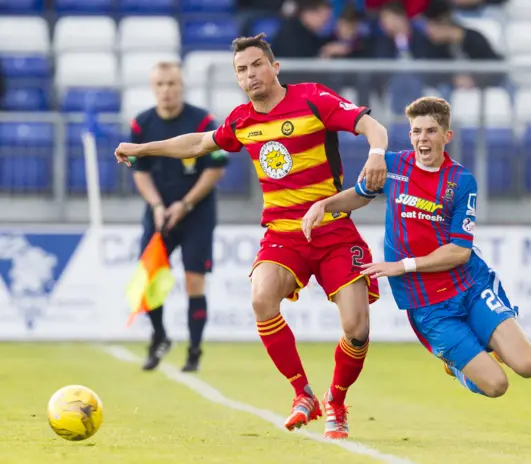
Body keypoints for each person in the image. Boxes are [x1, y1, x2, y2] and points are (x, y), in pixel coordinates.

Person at [115, 34, 388, 439]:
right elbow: (197, 142)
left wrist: (376, 154)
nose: (250, 74)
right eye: (241, 70)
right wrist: (143, 148)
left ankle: (338, 400)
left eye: (257, 65)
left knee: (357, 327)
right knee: (261, 299)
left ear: (274, 67)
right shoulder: (243, 120)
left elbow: (370, 125)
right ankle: (303, 394)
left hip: (333, 229)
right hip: (283, 234)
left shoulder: (313, 98)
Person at [303, 96, 531, 398]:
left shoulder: (461, 181)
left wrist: (401, 266)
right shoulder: (392, 166)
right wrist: (323, 205)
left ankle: (498, 340)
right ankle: (457, 366)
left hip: (470, 286)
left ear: (446, 136)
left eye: (430, 131)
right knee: (496, 385)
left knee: (528, 365)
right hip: (429, 307)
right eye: (416, 131)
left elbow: (459, 252)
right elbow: (361, 195)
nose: (422, 139)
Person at [129, 62, 229, 372]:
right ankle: (159, 336)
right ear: (153, 88)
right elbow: (140, 172)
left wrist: (185, 204)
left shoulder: (203, 121)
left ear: (181, 86)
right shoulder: (141, 124)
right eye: (160, 84)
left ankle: (195, 351)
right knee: (149, 278)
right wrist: (158, 206)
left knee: (193, 280)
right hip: (160, 213)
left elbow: (215, 168)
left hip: (196, 213)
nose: (166, 90)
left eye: (172, 83)